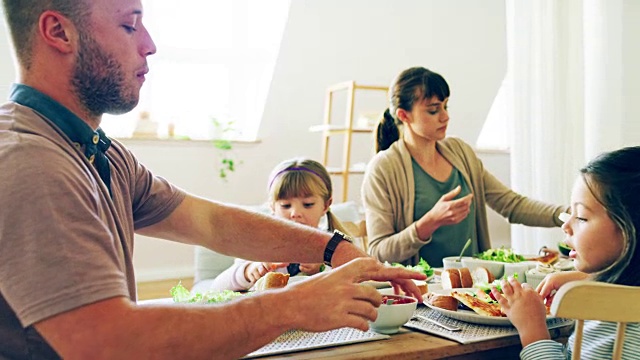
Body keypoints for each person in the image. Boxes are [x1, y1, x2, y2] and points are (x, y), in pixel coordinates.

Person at [0, 1, 425, 359]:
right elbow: (110, 343)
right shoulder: (31, 162)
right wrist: (290, 307)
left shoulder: (97, 150)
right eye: (129, 25)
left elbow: (210, 222)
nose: (149, 44)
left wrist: (336, 248)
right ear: (58, 31)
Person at [361, 66, 566, 267]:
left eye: (445, 106)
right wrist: (430, 222)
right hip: (420, 292)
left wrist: (567, 215)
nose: (445, 116)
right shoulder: (383, 169)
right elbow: (379, 251)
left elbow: (511, 204)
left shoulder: (460, 153)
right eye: (433, 110)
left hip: (472, 287)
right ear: (404, 116)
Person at [493, 146, 640, 359]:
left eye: (581, 217)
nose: (566, 226)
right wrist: (588, 278)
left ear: (629, 231)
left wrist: (532, 329)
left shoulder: (612, 314)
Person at [208, 158, 351, 291]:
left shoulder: (335, 246)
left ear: (326, 205)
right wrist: (247, 271)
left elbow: (358, 282)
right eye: (285, 205)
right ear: (272, 207)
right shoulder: (259, 244)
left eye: (308, 205)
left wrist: (322, 268)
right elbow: (216, 287)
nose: (295, 213)